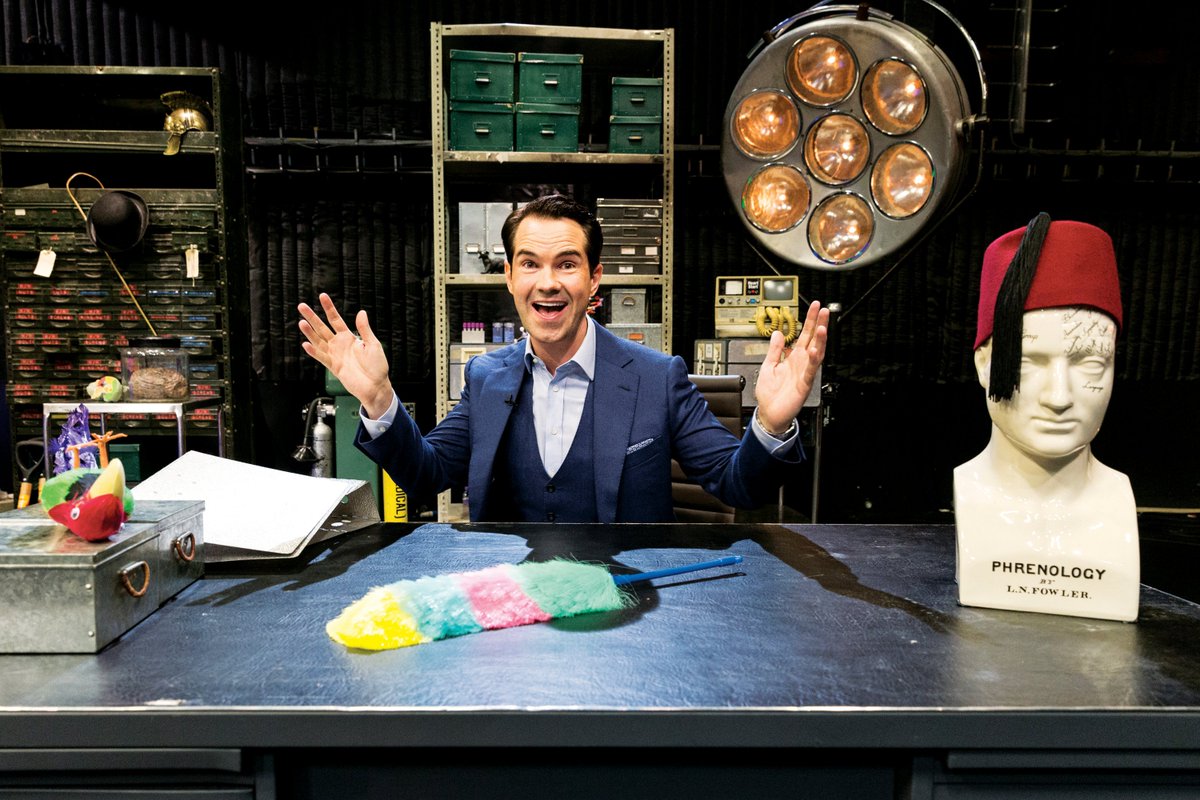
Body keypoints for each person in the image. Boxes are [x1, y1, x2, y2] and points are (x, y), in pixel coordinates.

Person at [298, 194, 829, 523]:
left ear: (594, 279)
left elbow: (737, 484)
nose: (548, 282)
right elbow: (426, 473)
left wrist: (771, 424)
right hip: (512, 606)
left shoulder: (656, 376)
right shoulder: (486, 377)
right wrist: (379, 400)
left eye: (567, 264)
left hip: (626, 600)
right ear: (510, 277)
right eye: (530, 264)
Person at [954, 212, 1139, 622]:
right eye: (1027, 362)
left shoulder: (1116, 511)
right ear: (985, 365)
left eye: (1090, 364)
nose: (1059, 397)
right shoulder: (972, 496)